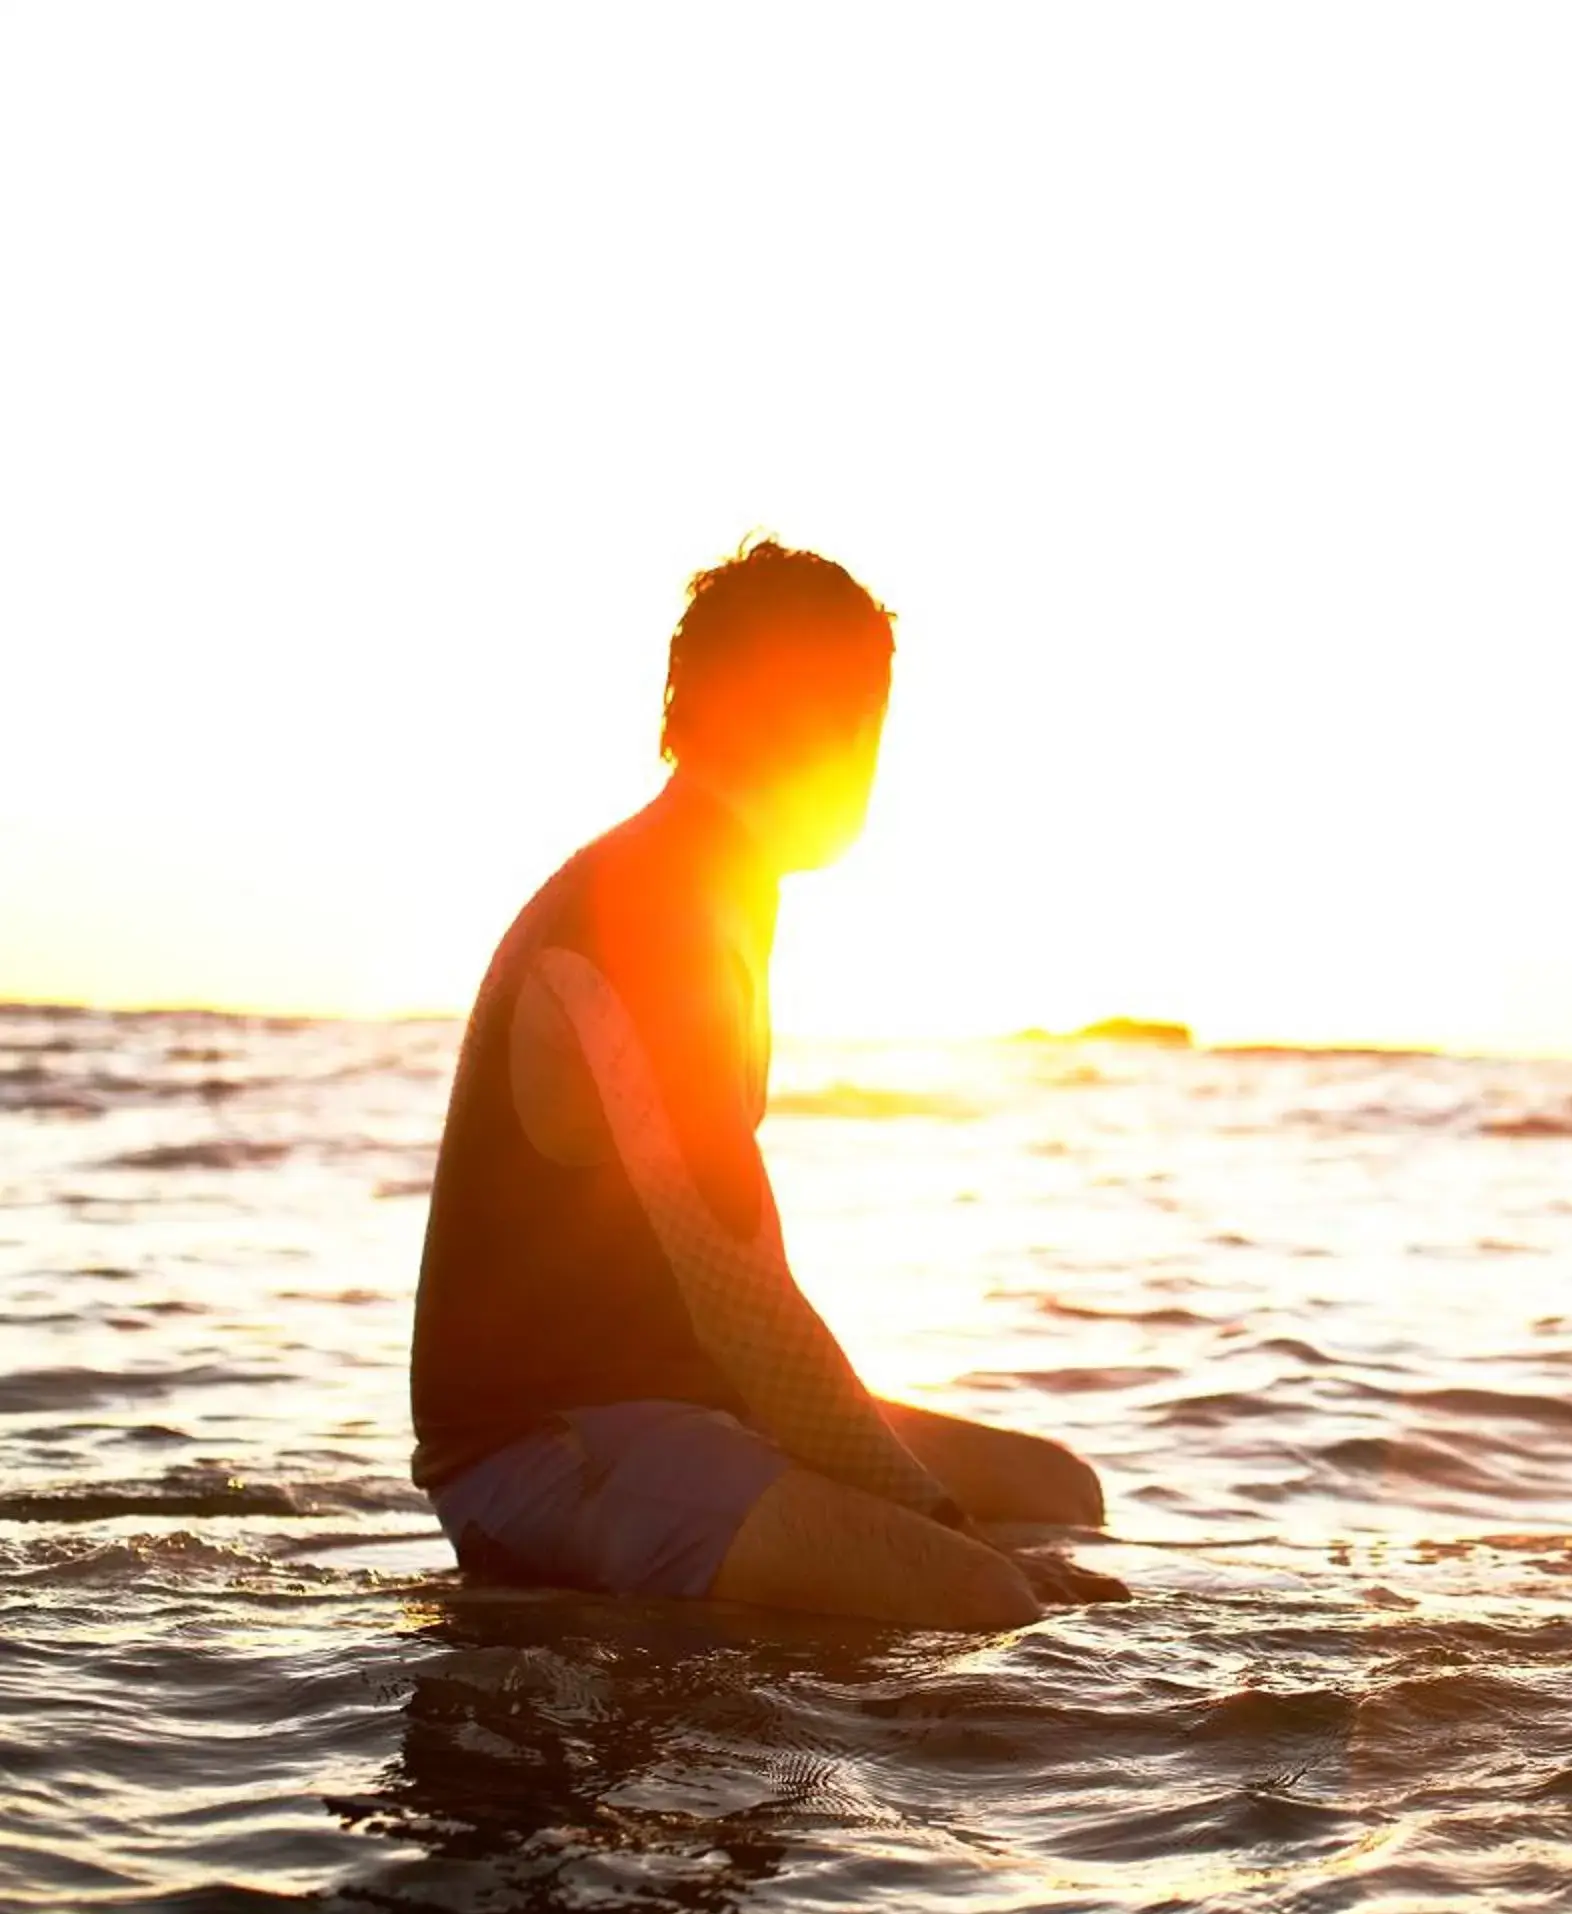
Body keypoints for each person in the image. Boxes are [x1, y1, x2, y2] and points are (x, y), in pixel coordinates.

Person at [410, 539, 1120, 1630]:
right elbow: (738, 1294)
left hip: (681, 1407)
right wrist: (934, 1524)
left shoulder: (729, 883)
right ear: (822, 727)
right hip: (539, 1449)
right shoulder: (648, 912)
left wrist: (917, 1509)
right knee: (984, 1597)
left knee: (1056, 1492)